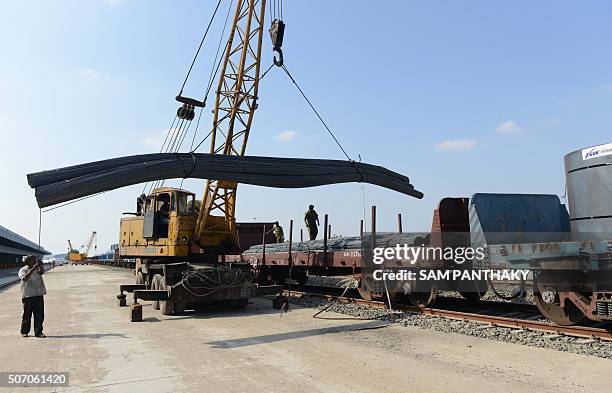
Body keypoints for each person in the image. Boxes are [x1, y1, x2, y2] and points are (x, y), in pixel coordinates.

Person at [18, 255, 46, 338]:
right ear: (27, 261)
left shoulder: (37, 268)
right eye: (33, 260)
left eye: (35, 260)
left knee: (39, 315)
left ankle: (38, 332)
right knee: (27, 315)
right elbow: (25, 278)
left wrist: (40, 266)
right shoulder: (23, 270)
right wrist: (33, 269)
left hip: (38, 295)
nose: (35, 261)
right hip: (28, 296)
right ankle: (24, 331)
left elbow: (41, 272)